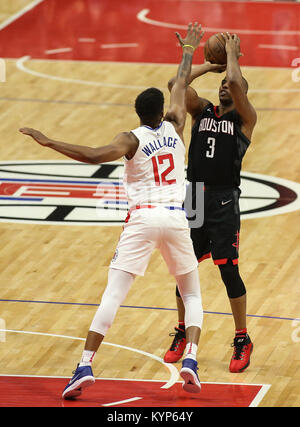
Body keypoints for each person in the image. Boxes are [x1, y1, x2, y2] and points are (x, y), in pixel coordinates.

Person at [20, 23, 206, 397]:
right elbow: (181, 85)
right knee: (192, 295)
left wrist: (48, 140)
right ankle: (190, 358)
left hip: (143, 217)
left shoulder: (130, 139)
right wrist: (189, 48)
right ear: (162, 111)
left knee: (114, 295)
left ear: (137, 114)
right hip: (175, 216)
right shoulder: (176, 125)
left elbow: (91, 155)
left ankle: (85, 365)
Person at [164, 32, 257, 373]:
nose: (223, 86)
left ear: (241, 95)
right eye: (219, 85)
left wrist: (232, 56)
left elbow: (234, 80)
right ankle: (180, 331)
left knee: (227, 270)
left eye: (229, 87)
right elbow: (176, 82)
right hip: (194, 195)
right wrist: (208, 64)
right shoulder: (202, 110)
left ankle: (242, 338)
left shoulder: (245, 120)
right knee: (183, 269)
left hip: (223, 201)